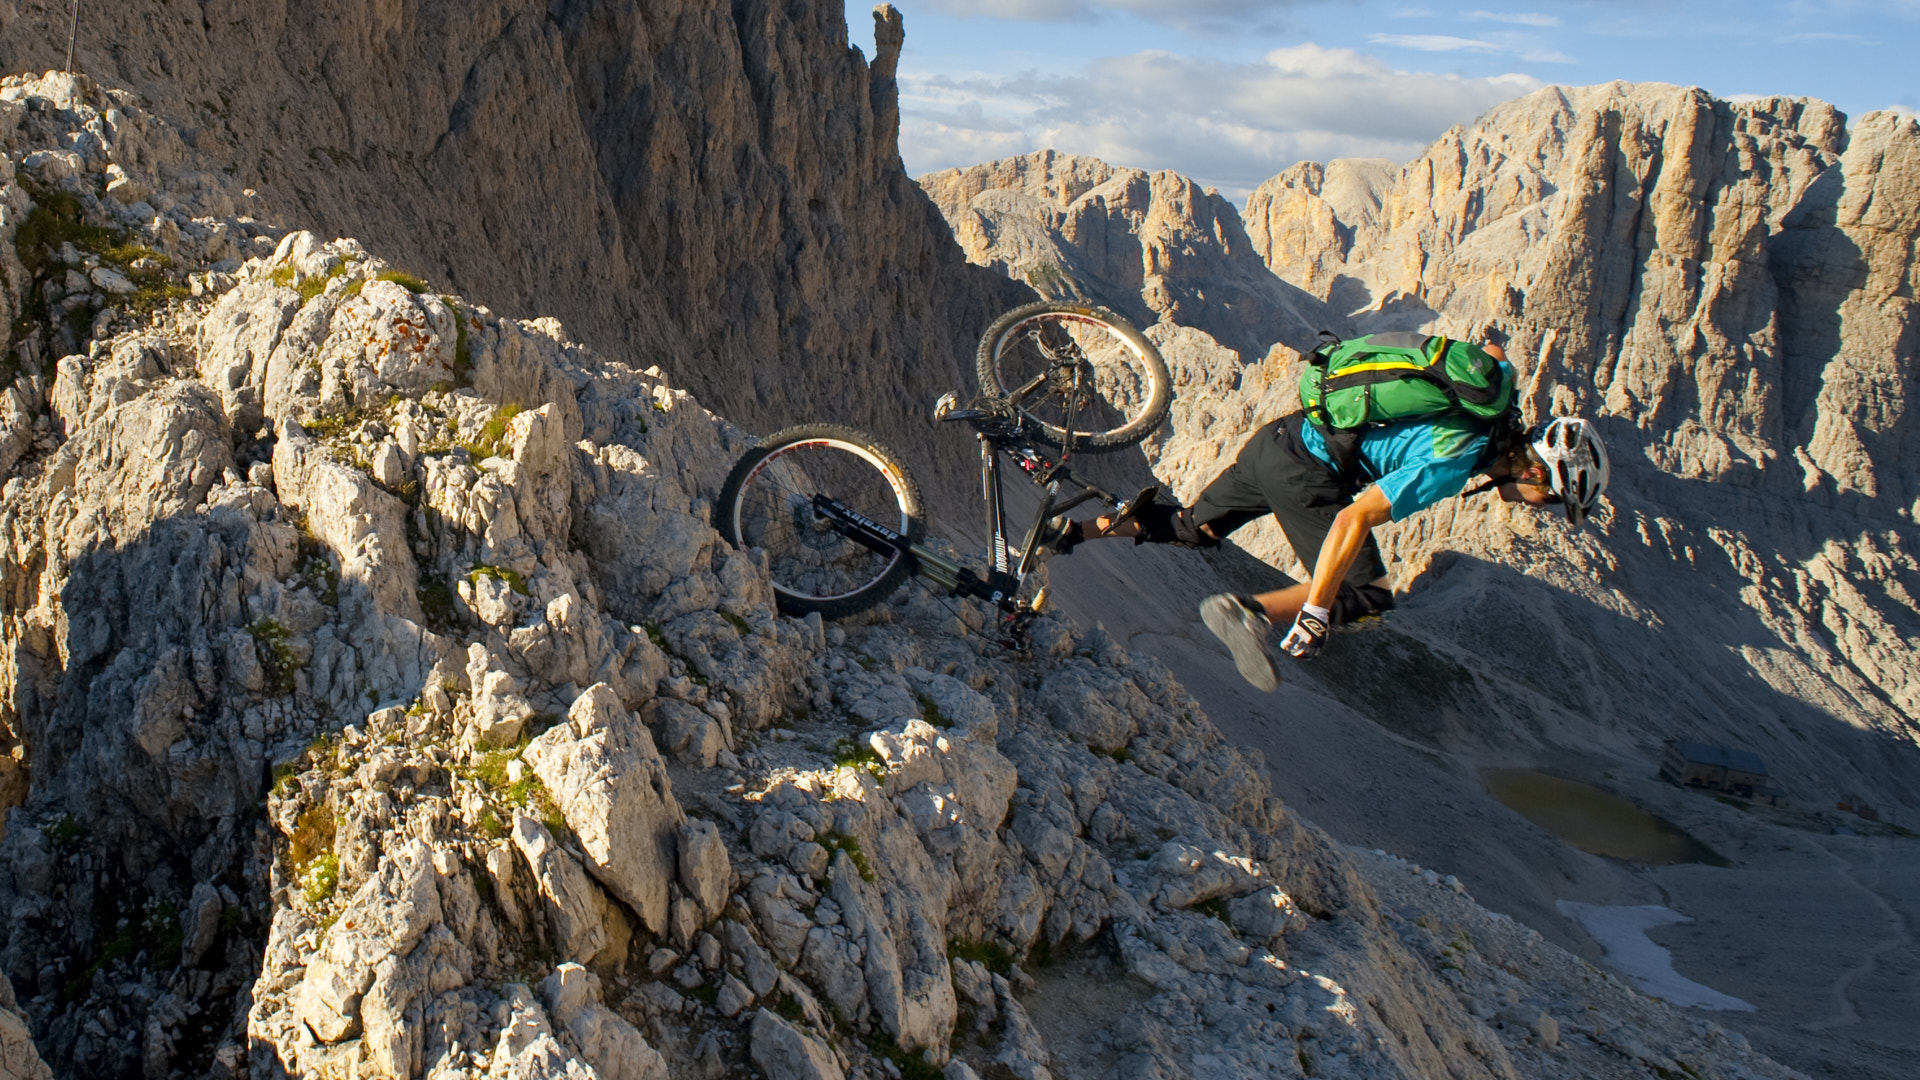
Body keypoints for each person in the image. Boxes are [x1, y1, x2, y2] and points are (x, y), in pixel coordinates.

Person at [1042, 342, 1610, 691]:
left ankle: (1071, 530)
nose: (1546, 509)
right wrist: (1315, 612)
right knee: (1367, 596)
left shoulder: (1489, 410)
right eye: (1555, 499)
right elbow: (1352, 521)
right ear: (1538, 473)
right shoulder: (1456, 458)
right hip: (1308, 469)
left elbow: (1492, 354)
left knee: (1192, 528)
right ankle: (1244, 613)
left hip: (1279, 438)